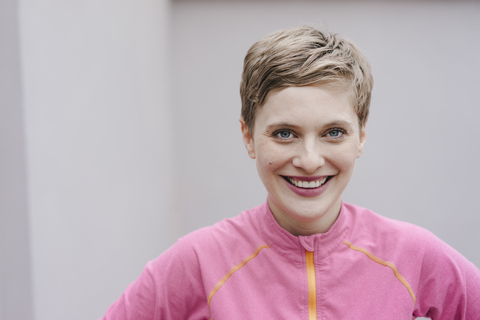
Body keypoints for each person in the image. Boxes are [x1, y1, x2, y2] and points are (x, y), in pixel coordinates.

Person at [101, 26, 480, 319]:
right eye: (285, 134)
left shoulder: (413, 255)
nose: (310, 160)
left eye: (334, 133)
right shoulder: (199, 260)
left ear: (361, 137)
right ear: (249, 137)